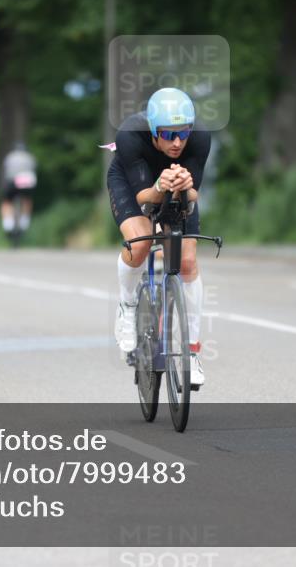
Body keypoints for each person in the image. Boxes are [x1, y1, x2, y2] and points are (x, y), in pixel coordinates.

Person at [109, 87, 210, 388]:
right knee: (140, 245)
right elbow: (144, 197)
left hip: (176, 186)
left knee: (188, 262)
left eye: (184, 133)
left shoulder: (200, 137)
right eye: (168, 135)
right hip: (134, 184)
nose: (178, 142)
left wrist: (185, 185)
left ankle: (191, 353)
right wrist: (161, 185)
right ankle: (127, 306)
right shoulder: (130, 135)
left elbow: (193, 196)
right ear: (153, 130)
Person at [0, 141, 37, 242]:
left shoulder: (10, 157)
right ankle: (24, 223)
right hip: (28, 181)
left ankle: (8, 226)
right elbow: (34, 169)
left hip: (13, 181)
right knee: (27, 200)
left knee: (6, 202)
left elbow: (6, 171)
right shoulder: (30, 157)